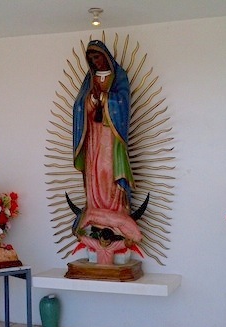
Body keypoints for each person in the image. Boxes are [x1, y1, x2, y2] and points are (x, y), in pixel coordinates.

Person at [71, 40, 142, 261]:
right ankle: (95, 208)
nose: (95, 61)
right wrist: (90, 99)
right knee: (94, 171)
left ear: (106, 56)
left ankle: (115, 209)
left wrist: (105, 98)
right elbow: (79, 107)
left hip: (111, 137)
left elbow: (123, 102)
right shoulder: (89, 80)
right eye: (91, 59)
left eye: (97, 57)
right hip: (93, 137)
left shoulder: (119, 77)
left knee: (107, 171)